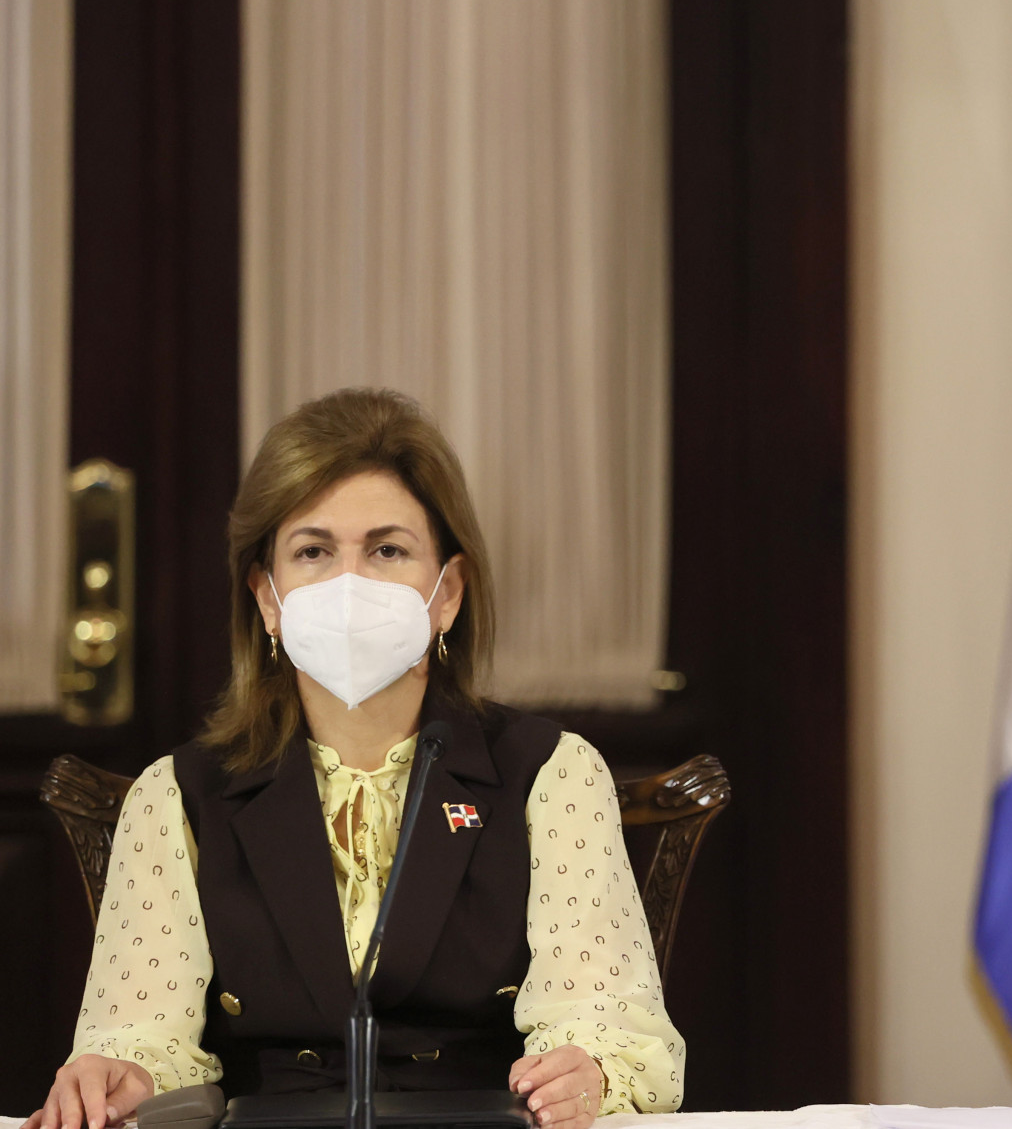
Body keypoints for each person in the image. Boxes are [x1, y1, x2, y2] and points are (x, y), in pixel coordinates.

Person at [27, 389, 683, 1129]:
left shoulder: (551, 773)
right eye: (313, 552)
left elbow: (605, 1024)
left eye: (386, 550)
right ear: (267, 598)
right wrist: (122, 1076)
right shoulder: (178, 794)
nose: (349, 585)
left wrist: (586, 1071)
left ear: (448, 593)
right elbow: (145, 1040)